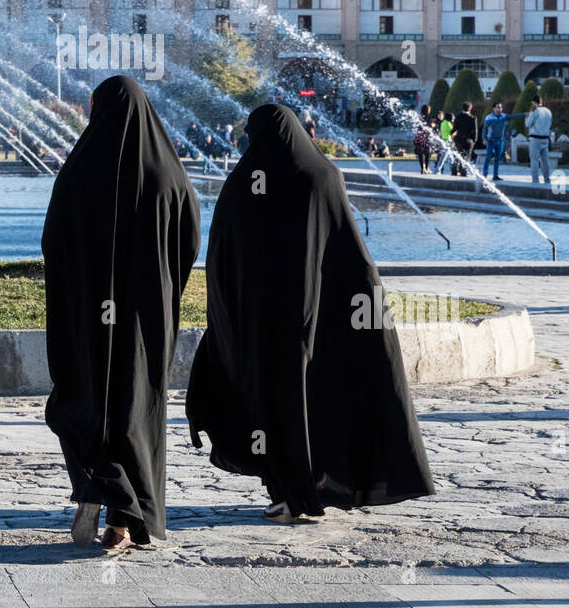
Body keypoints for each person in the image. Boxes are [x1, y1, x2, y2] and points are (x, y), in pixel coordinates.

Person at [186, 104, 434, 523]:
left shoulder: (246, 180)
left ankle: (289, 491)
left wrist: (231, 316)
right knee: (321, 399)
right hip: (325, 318)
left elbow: (223, 254)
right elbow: (350, 252)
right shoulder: (323, 175)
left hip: (266, 323)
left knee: (275, 405)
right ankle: (311, 485)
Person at [44, 75, 201, 553]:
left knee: (86, 400)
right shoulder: (168, 175)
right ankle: (124, 521)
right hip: (144, 322)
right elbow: (190, 241)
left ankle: (98, 484)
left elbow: (53, 242)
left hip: (89, 317)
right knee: (137, 408)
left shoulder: (80, 169)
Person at [525, 96, 553, 185]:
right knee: (545, 161)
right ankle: (547, 180)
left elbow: (528, 124)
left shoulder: (534, 111)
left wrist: (527, 117)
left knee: (534, 160)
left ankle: (535, 181)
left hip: (535, 138)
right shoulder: (548, 111)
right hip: (545, 138)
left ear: (534, 103)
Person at [482, 101, 509, 181]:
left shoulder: (503, 116)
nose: (499, 109)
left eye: (500, 107)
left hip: (499, 140)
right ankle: (485, 174)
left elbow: (514, 116)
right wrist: (484, 138)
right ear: (493, 108)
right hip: (490, 140)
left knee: (497, 158)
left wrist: (524, 114)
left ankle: (495, 175)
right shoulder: (489, 117)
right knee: (488, 157)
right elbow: (485, 128)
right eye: (497, 107)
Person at [451, 102, 477, 177]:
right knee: (467, 157)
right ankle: (463, 172)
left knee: (458, 156)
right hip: (468, 141)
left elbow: (455, 128)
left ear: (462, 108)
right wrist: (474, 140)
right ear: (470, 109)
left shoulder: (458, 117)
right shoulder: (473, 118)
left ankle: (455, 171)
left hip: (459, 139)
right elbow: (475, 131)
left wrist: (451, 133)